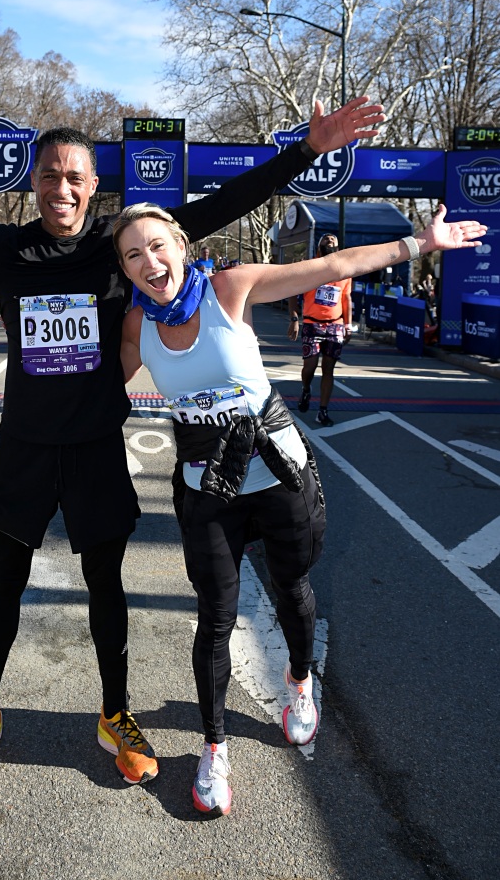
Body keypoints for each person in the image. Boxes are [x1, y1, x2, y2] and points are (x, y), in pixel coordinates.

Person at [0, 97, 385, 790]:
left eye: (74, 178)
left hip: (94, 451)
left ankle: (115, 712)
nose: (61, 188)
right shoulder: (0, 249)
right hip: (23, 452)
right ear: (32, 184)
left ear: (93, 188)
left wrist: (306, 151)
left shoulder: (115, 251)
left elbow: (224, 204)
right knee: (3, 586)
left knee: (106, 589)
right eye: (49, 176)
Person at [114, 201, 485, 816]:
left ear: (180, 246)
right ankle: (213, 746)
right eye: (133, 255)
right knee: (214, 617)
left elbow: (331, 264)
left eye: (157, 246)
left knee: (292, 588)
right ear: (125, 270)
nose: (149, 262)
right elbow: (99, 393)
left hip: (277, 475)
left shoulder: (228, 289)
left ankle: (299, 682)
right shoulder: (136, 327)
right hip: (208, 490)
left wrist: (418, 246)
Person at [287, 233, 352, 426]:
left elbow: (346, 299)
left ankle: (323, 411)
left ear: (338, 247)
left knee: (328, 369)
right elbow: (292, 292)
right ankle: (306, 388)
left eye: (333, 239)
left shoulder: (344, 271)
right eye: (326, 239)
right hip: (312, 323)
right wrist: (294, 318)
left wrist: (348, 325)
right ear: (318, 246)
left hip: (335, 324)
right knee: (310, 366)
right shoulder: (309, 267)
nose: (329, 240)